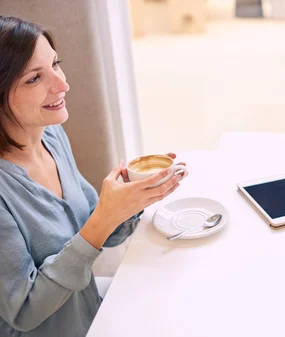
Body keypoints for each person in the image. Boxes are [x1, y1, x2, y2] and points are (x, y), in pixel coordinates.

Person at [0, 16, 185, 337]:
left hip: (88, 310)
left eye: (55, 64)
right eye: (34, 78)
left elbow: (98, 232)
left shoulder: (51, 136)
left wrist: (129, 197)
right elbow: (25, 310)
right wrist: (103, 218)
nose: (62, 84)